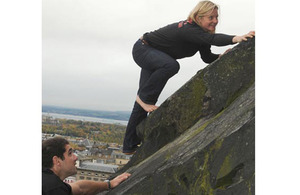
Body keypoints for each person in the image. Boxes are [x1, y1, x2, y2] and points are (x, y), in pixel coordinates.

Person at [122, 0, 255, 155]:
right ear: (199, 17)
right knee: (169, 68)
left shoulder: (201, 36)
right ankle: (142, 98)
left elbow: (207, 57)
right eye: (210, 17)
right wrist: (236, 38)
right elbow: (213, 39)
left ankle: (129, 146)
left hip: (155, 56)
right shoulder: (188, 29)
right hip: (143, 49)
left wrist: (220, 56)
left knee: (146, 99)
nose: (215, 21)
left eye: (216, 17)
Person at [42, 137, 131, 195]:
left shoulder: (48, 181)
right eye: (70, 153)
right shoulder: (54, 189)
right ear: (57, 161)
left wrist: (109, 184)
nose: (75, 157)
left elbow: (80, 188)